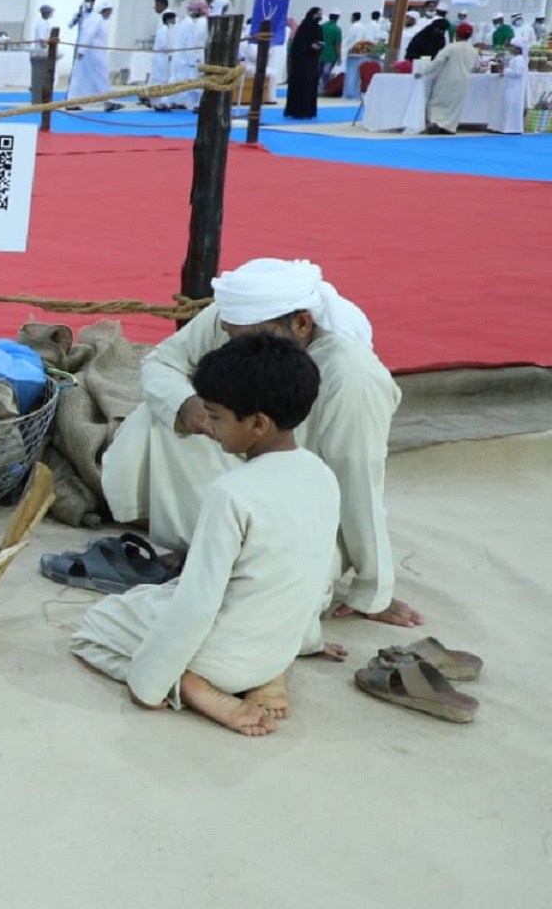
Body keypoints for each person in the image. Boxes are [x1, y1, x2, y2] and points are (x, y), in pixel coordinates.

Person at [101, 257, 419, 628]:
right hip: (247, 470)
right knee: (158, 416)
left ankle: (226, 561)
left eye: (245, 340)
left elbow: (359, 481)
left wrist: (373, 589)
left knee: (269, 599)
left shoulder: (352, 378)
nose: (236, 351)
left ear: (301, 324)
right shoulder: (233, 318)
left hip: (303, 512)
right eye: (230, 338)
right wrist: (185, 405)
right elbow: (161, 364)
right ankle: (202, 548)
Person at [74, 334, 343, 738]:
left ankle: (189, 685)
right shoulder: (321, 474)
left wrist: (148, 686)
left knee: (96, 626)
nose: (211, 428)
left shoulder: (232, 492)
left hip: (221, 662)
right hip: (276, 649)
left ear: (257, 423)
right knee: (157, 598)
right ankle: (270, 676)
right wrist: (306, 641)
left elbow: (197, 603)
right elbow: (313, 572)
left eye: (216, 417)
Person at [417, 26, 479, 135]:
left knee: (437, 102)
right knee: (454, 105)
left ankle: (435, 123)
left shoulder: (451, 47)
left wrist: (423, 71)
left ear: (456, 34)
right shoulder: (473, 51)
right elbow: (477, 67)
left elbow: (437, 62)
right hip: (463, 81)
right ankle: (449, 127)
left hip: (447, 79)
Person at [68, 0, 119, 111]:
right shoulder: (97, 19)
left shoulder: (95, 19)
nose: (110, 14)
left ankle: (74, 101)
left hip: (92, 53)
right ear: (104, 10)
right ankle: (107, 101)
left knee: (85, 78)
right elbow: (88, 35)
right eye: (109, 11)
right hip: (92, 54)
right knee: (100, 77)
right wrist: (82, 50)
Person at [283, 5, 325, 120]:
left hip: (312, 61)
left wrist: (318, 46)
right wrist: (309, 47)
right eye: (318, 14)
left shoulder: (319, 28)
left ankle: (308, 111)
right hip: (301, 63)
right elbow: (298, 45)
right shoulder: (303, 28)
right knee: (300, 85)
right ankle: (296, 110)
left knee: (310, 86)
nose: (319, 16)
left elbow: (321, 42)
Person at [495, 37, 528, 135]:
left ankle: (513, 128)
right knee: (509, 106)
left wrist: (505, 70)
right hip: (512, 86)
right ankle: (508, 127)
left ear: (518, 49)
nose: (511, 48)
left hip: (515, 88)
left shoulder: (520, 60)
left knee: (513, 106)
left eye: (513, 47)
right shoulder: (515, 59)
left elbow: (517, 73)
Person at [148, 10, 175, 94]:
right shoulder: (164, 30)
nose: (175, 21)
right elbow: (163, 45)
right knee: (160, 77)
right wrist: (172, 49)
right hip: (160, 57)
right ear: (168, 19)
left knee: (161, 77)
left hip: (163, 56)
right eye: (173, 19)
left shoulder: (166, 29)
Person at [318, 10, 343, 89]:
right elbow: (338, 45)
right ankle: (325, 88)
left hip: (320, 53)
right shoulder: (337, 29)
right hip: (331, 55)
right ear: (338, 18)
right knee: (326, 72)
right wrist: (339, 57)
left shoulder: (322, 27)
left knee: (318, 72)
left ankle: (316, 87)